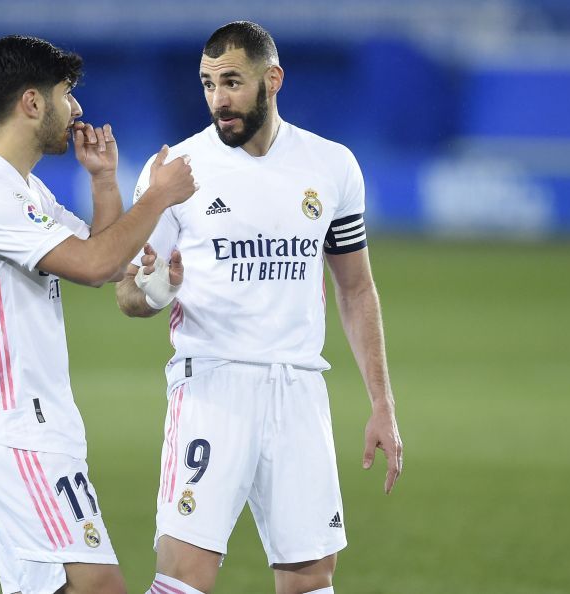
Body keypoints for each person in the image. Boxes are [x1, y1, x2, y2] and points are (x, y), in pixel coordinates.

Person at [116, 21, 403, 594]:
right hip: (211, 387)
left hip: (299, 388)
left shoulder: (332, 166)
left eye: (232, 82)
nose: (218, 99)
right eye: (207, 84)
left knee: (311, 578)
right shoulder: (173, 171)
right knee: (184, 577)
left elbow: (355, 288)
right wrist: (154, 290)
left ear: (273, 79)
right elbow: (128, 292)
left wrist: (382, 403)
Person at [0, 35, 196, 594]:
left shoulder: (24, 192)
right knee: (101, 587)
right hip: (16, 438)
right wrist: (159, 197)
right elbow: (97, 263)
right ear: (32, 103)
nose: (76, 109)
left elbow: (108, 257)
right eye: (66, 93)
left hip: (36, 434)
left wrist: (104, 181)